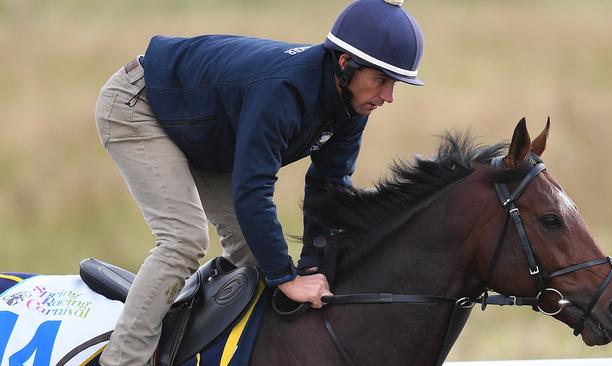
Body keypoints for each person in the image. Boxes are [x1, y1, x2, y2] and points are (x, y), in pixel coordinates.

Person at [94, 0, 424, 364]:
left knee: (256, 261)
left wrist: (312, 266)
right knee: (184, 239)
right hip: (138, 105)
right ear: (345, 65)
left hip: (205, 129)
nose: (389, 96)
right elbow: (253, 191)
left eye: (395, 84)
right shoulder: (283, 90)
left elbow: (328, 187)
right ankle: (121, 360)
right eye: (381, 80)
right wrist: (287, 277)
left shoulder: (352, 105)